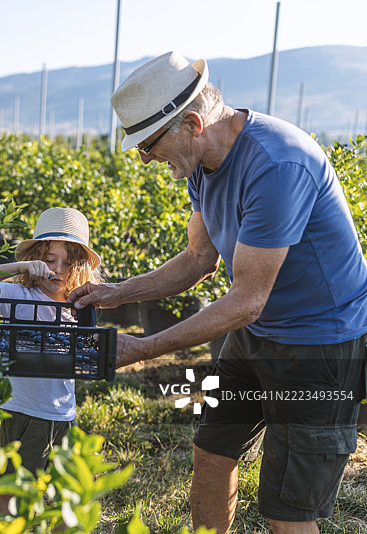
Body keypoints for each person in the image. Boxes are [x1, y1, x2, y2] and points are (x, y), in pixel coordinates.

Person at [68, 51, 367, 534]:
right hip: (256, 333)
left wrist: (144, 348)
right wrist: (116, 294)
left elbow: (248, 298)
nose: (145, 159)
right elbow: (198, 261)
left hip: (319, 344)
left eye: (149, 145)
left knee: (288, 511)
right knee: (211, 454)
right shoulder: (201, 165)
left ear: (191, 122)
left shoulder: (276, 165)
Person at [0, 206, 102, 517]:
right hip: (22, 411)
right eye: (49, 260)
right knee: (14, 491)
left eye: (68, 263)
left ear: (79, 268)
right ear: (36, 260)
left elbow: (88, 350)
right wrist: (19, 267)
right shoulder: (19, 295)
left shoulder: (78, 306)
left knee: (75, 496)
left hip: (63, 414)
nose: (58, 270)